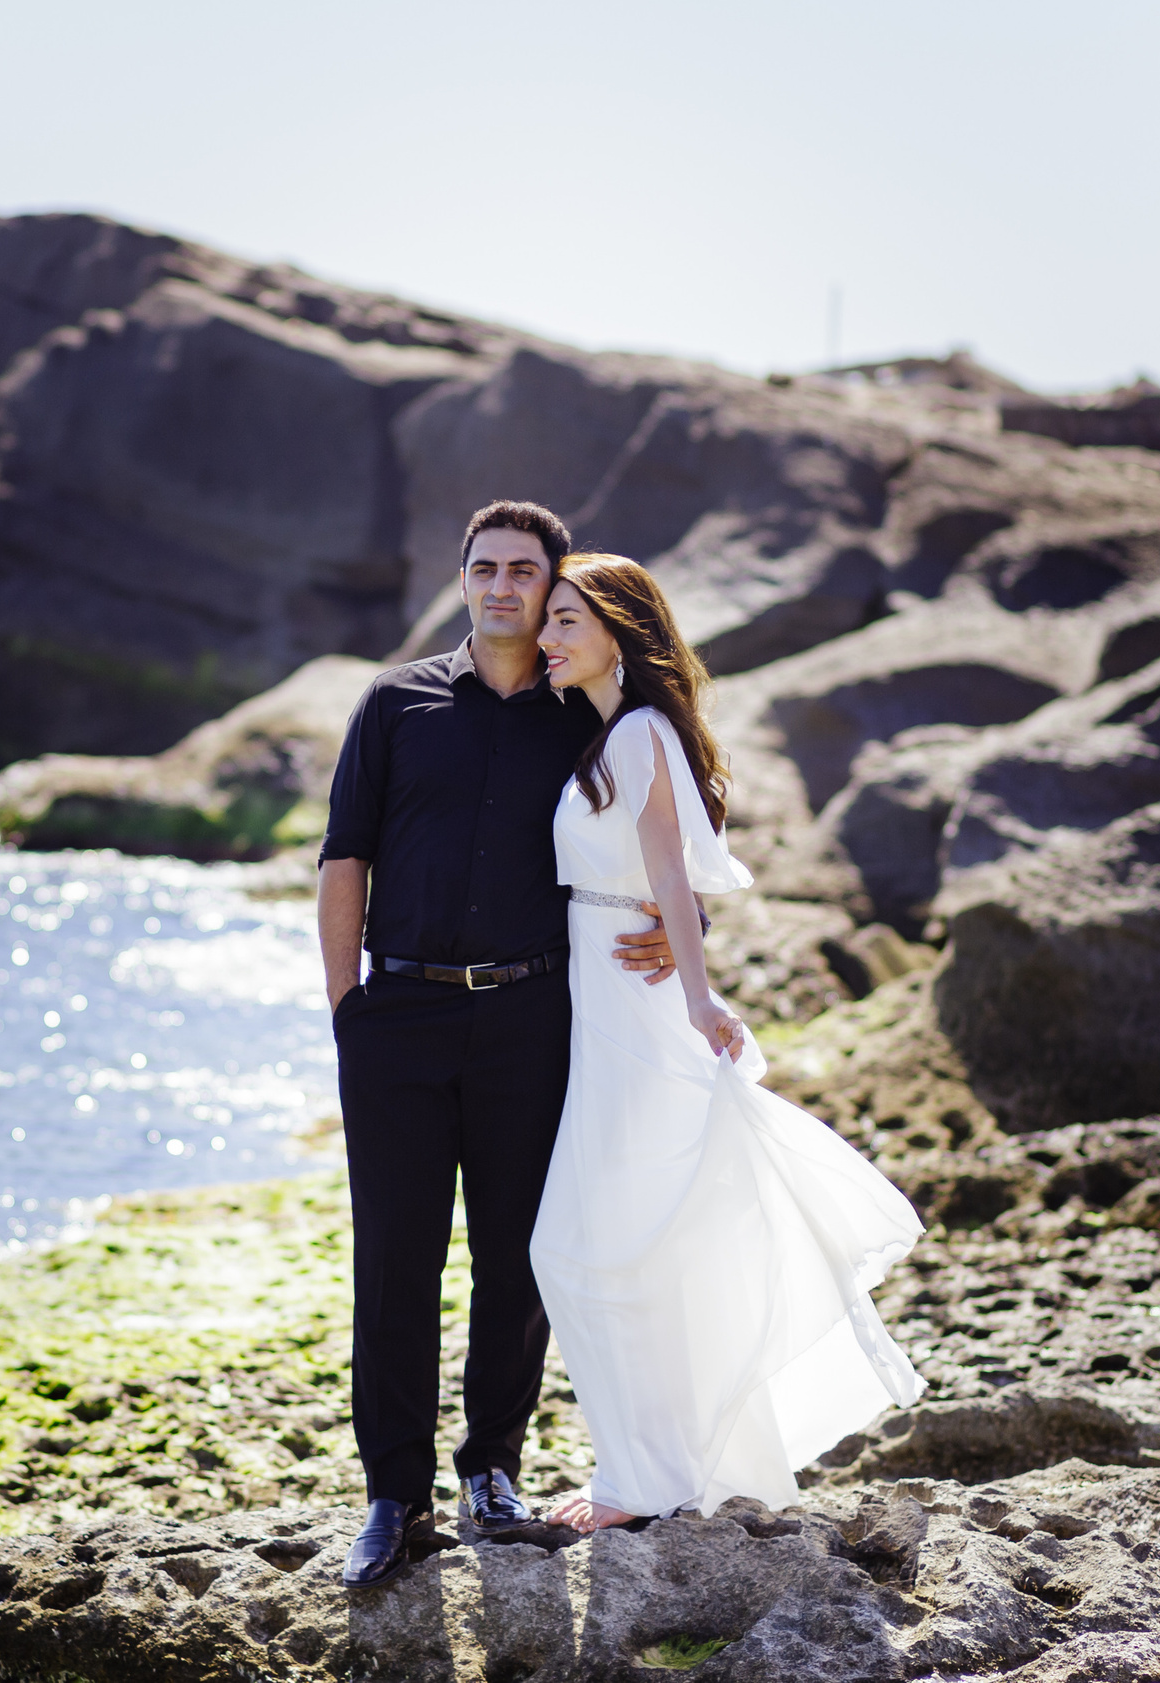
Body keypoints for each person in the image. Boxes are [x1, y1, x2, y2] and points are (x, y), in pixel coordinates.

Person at [317, 502, 688, 1590]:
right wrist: (346, 1009)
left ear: (551, 585)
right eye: (484, 567)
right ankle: (395, 1493)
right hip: (399, 1016)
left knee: (514, 1258)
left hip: (531, 1019)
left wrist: (685, 919)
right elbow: (345, 859)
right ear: (463, 577)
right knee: (394, 1258)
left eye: (524, 571)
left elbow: (669, 809)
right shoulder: (394, 703)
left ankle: (491, 1472)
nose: (501, 586)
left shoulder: (587, 713)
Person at [530, 553, 926, 1532]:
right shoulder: (612, 733)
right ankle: (658, 1471)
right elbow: (653, 872)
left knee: (587, 1246)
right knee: (616, 1242)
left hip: (632, 995)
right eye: (548, 622)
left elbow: (666, 867)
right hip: (604, 988)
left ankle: (642, 1480)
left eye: (567, 621)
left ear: (619, 627)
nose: (547, 638)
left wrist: (699, 992)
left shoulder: (636, 734)